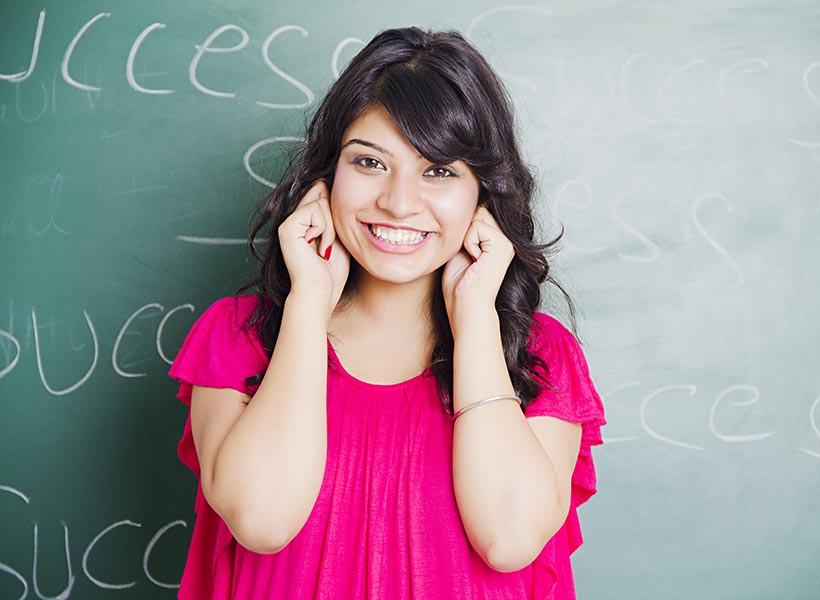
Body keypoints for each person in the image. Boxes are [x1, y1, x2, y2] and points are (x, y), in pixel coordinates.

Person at [169, 26, 605, 599]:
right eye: (370, 163)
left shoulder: (540, 356)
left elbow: (509, 538)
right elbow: (262, 519)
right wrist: (307, 301)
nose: (399, 203)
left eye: (440, 171)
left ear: (483, 195)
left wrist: (474, 314)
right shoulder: (240, 336)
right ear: (326, 178)